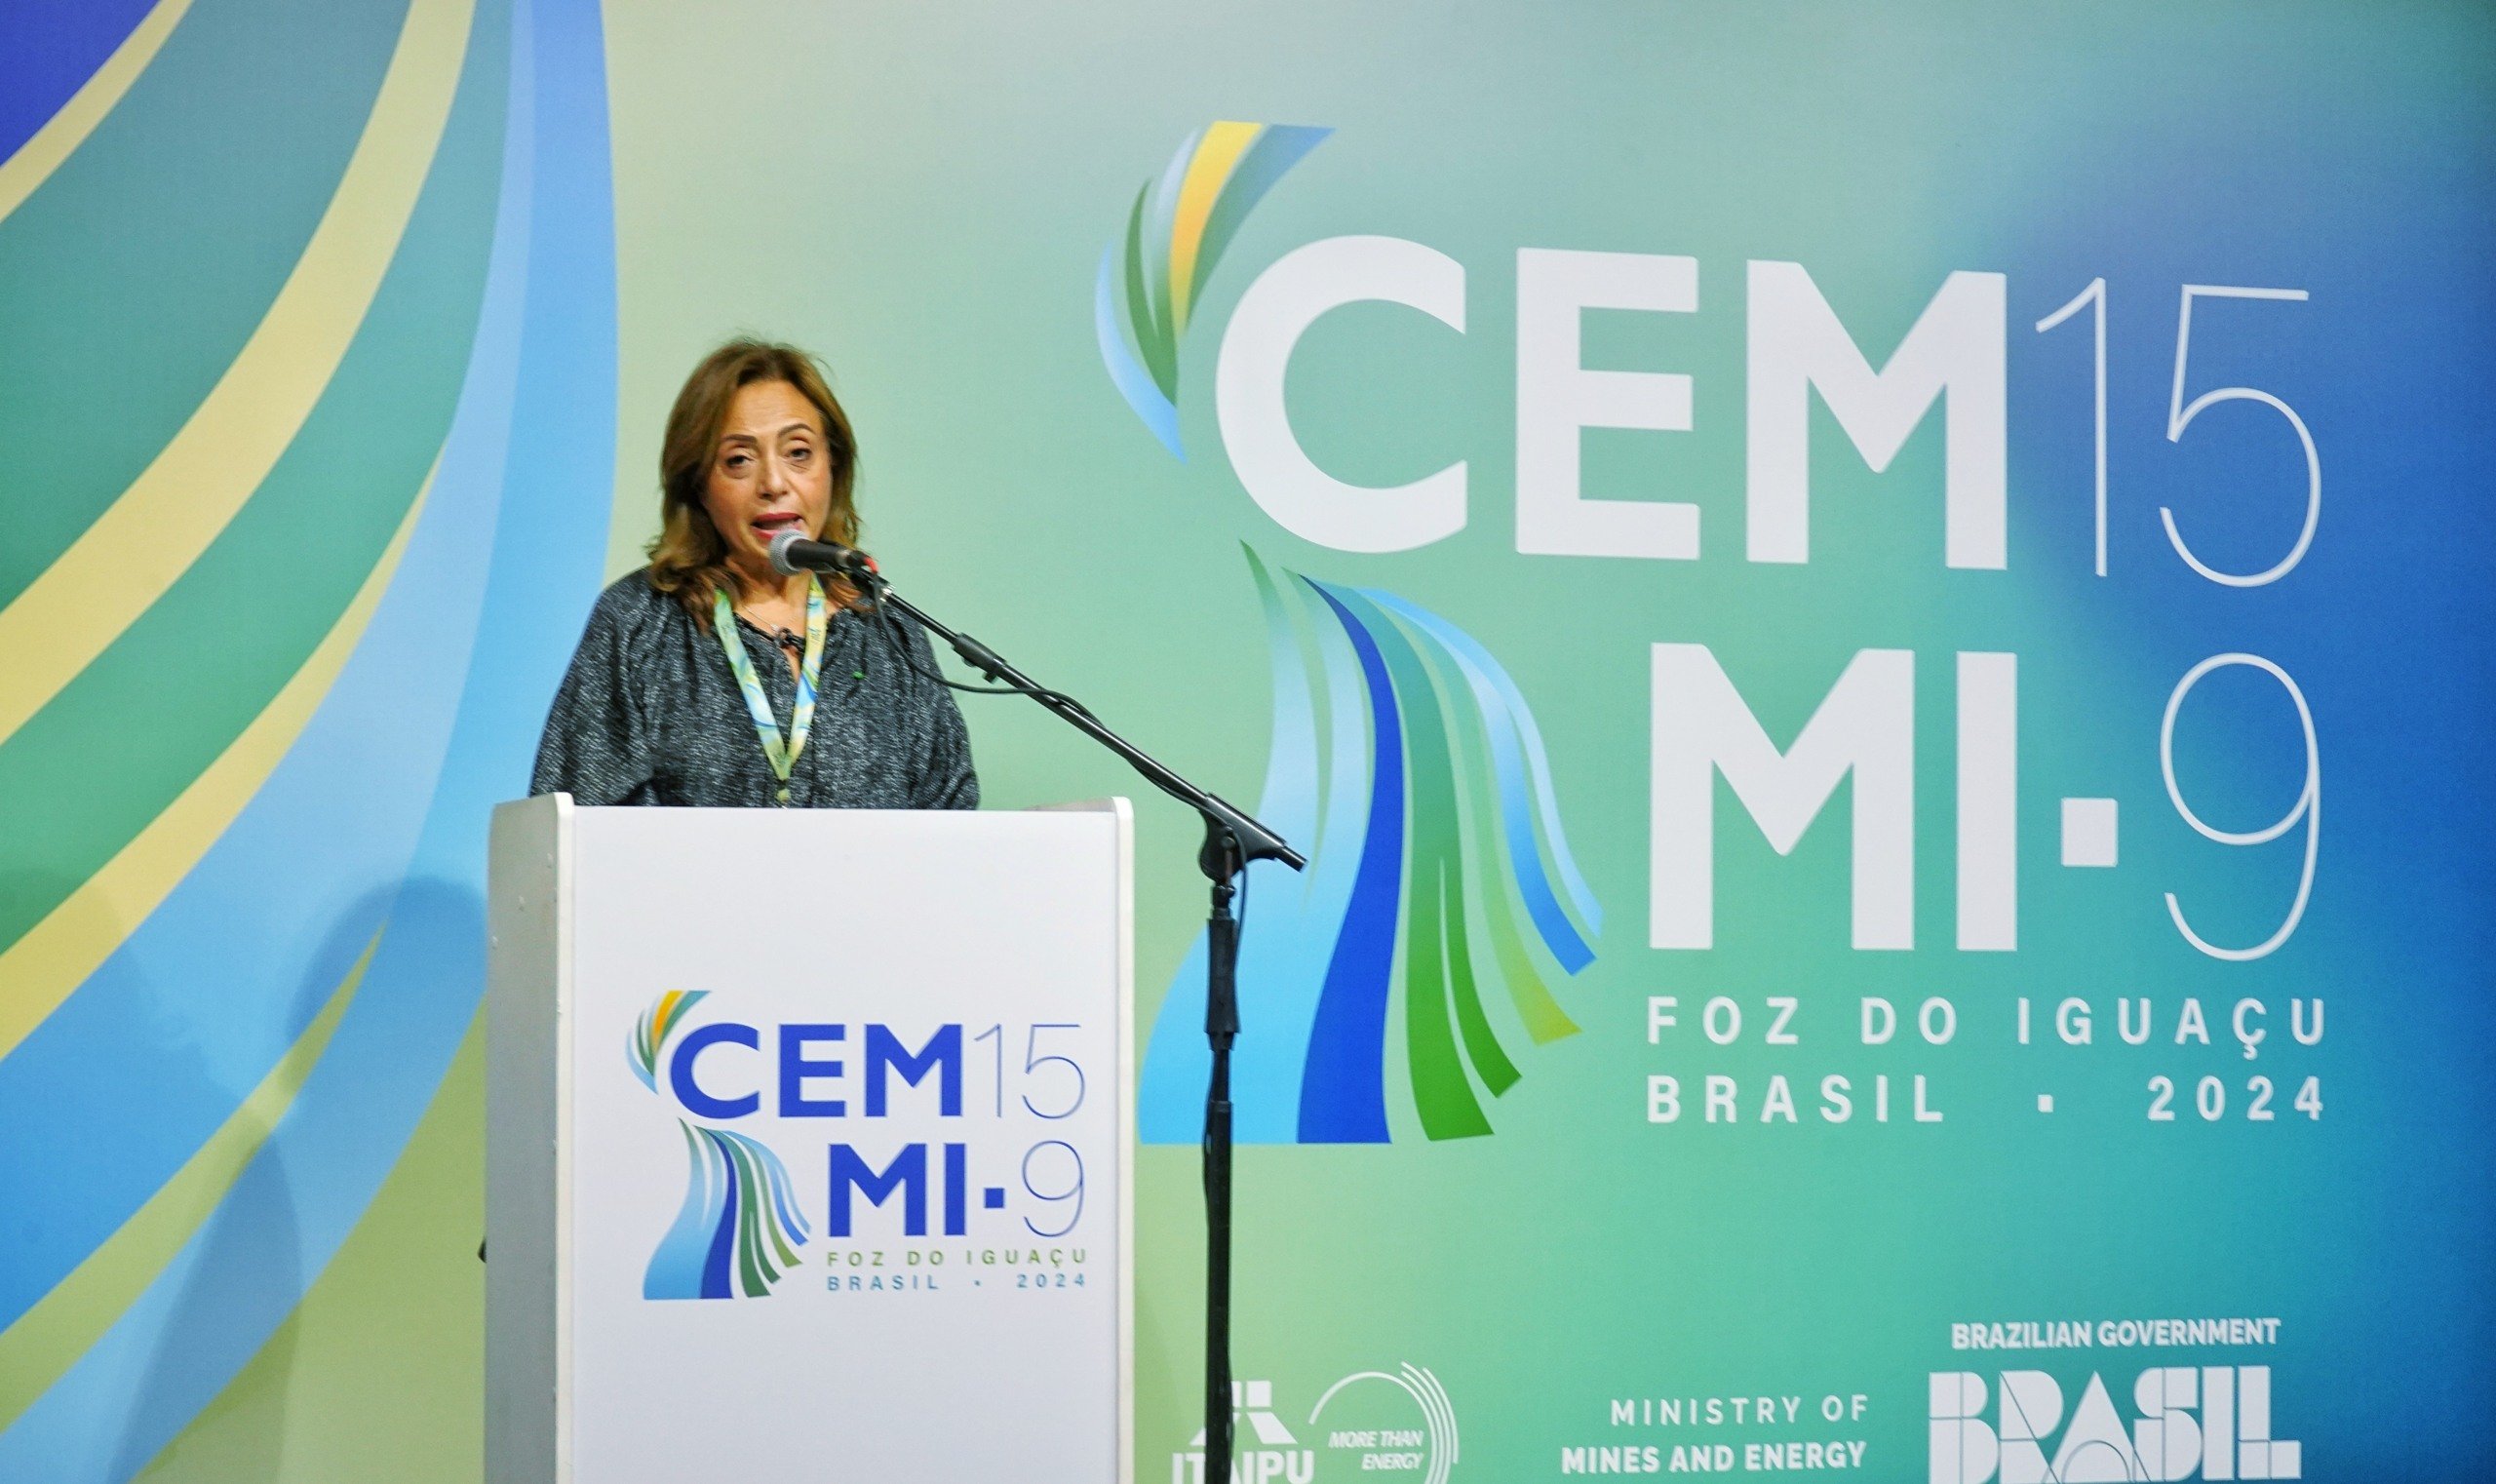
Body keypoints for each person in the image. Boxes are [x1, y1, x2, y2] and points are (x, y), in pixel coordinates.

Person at [530, 338, 977, 810]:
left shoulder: (891, 635)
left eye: (798, 452)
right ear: (698, 484)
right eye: (739, 460)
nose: (774, 484)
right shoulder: (640, 623)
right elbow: (573, 828)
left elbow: (950, 824)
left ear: (833, 466)